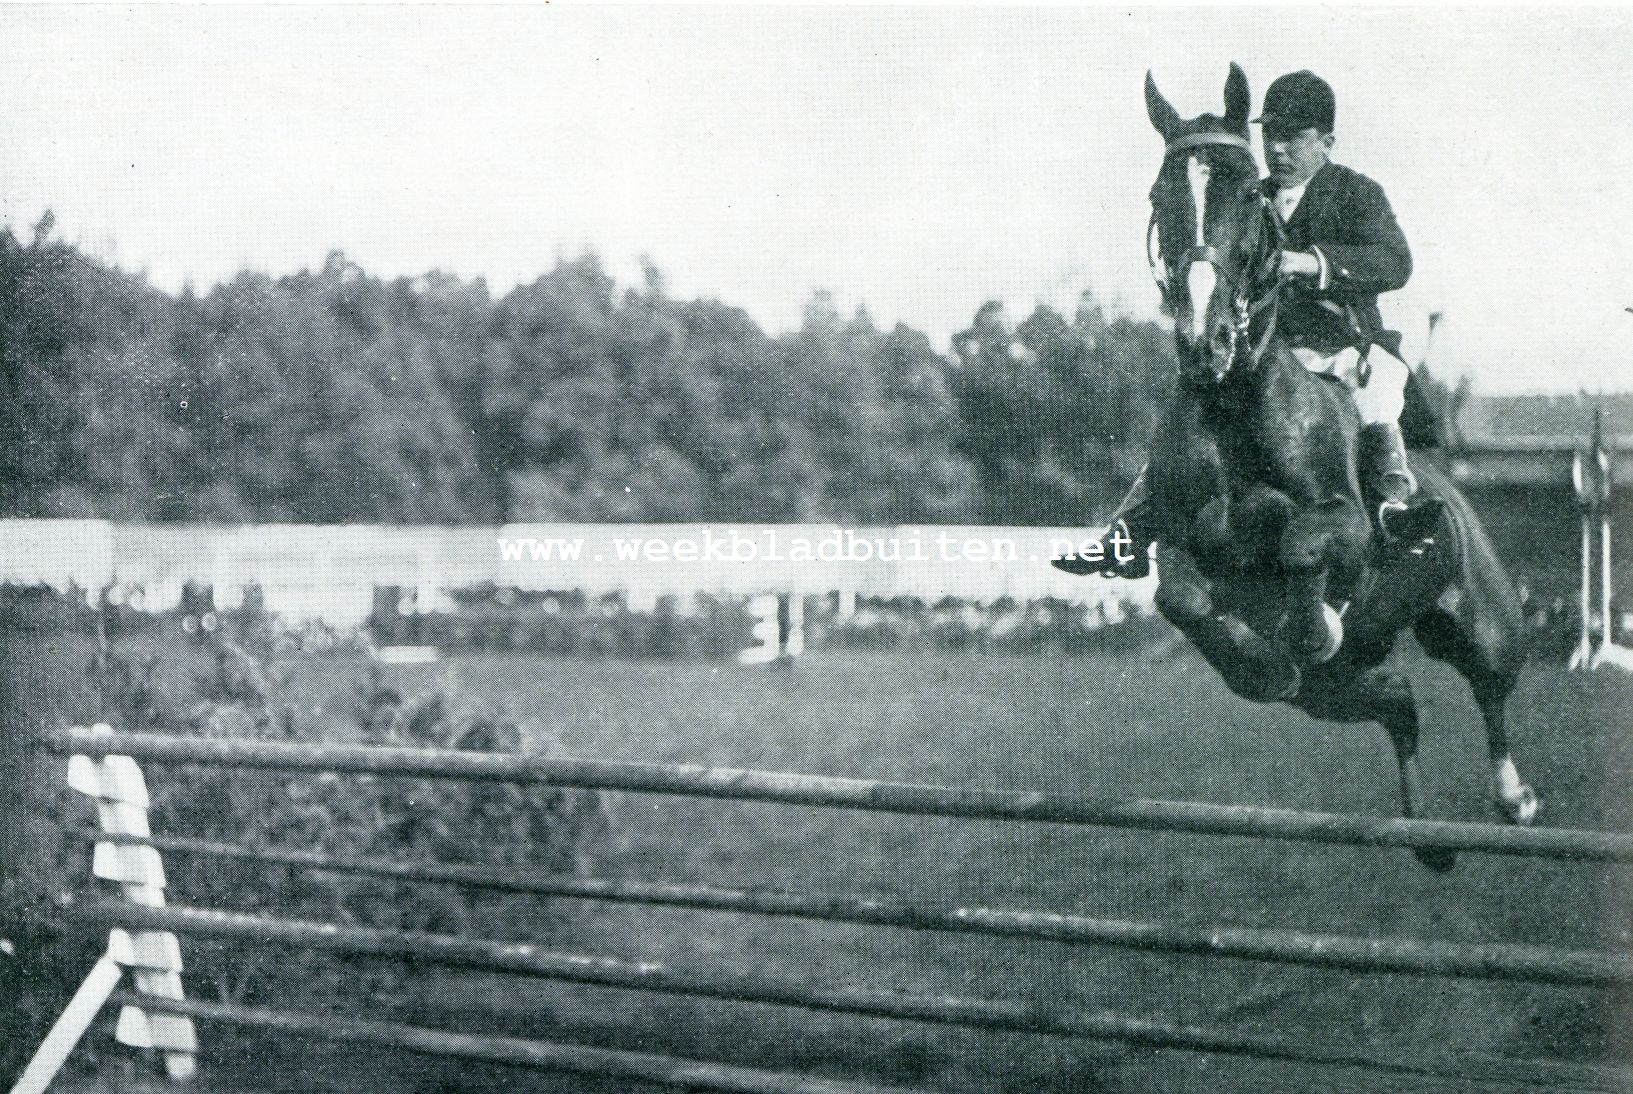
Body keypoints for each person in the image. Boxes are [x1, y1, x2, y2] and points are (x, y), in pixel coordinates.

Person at [1061, 69, 1437, 579]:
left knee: (1380, 389)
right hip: (1263, 347)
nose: (1277, 149)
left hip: (1340, 343)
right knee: (1194, 399)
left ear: (1327, 142)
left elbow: (1396, 262)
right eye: (1269, 135)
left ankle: (1395, 505)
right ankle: (1129, 527)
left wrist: (1311, 262)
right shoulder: (1243, 192)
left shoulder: (1355, 192)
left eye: (1293, 137)